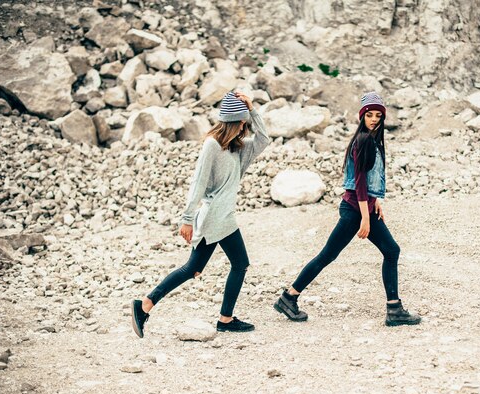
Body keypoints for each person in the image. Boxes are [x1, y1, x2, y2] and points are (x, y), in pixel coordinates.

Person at [274, 92, 421, 327]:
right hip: (355, 210)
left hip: (363, 206)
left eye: (378, 116)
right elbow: (360, 182)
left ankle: (394, 309)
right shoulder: (363, 140)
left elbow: (365, 179)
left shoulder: (370, 139)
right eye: (369, 115)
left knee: (391, 250)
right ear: (362, 117)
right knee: (327, 255)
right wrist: (365, 216)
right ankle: (288, 297)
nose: (374, 119)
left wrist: (376, 202)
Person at [131, 91, 271, 337]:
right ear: (234, 123)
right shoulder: (212, 145)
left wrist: (252, 109)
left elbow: (264, 139)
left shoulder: (238, 149)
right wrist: (186, 219)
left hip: (221, 217)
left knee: (194, 269)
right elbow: (198, 182)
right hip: (215, 218)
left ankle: (145, 305)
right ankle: (225, 320)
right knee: (238, 264)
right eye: (242, 122)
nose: (245, 127)